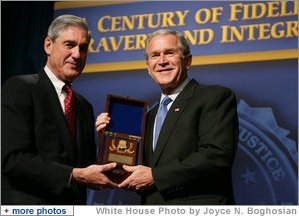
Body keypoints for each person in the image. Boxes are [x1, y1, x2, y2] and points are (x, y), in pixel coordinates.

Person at [96, 29, 239, 205]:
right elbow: (137, 168)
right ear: (148, 68)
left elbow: (216, 156)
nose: (162, 61)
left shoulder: (214, 97)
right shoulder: (149, 117)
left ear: (188, 61)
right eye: (155, 55)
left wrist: (156, 176)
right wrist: (110, 140)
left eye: (169, 53)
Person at [1, 14, 118, 205]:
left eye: (83, 48)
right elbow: (13, 160)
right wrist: (74, 175)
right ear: (48, 45)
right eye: (69, 45)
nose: (77, 55)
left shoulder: (83, 106)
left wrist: (107, 142)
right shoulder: (20, 88)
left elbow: (87, 170)